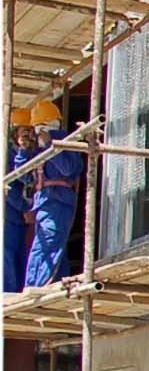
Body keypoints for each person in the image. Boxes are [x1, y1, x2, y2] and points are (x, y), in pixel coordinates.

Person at [23, 100, 84, 288]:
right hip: (44, 202)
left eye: (39, 127)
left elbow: (67, 169)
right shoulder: (40, 149)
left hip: (58, 200)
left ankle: (38, 286)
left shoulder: (65, 142)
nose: (37, 132)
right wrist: (23, 151)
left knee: (48, 243)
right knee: (48, 245)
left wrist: (51, 145)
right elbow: (25, 177)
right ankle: (46, 284)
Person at [5, 108, 34, 292]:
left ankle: (19, 290)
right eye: (25, 131)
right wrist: (24, 208)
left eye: (31, 132)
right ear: (15, 134)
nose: (29, 136)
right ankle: (6, 293)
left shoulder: (30, 151)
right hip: (10, 214)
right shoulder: (6, 154)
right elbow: (8, 188)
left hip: (24, 214)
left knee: (23, 254)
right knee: (7, 253)